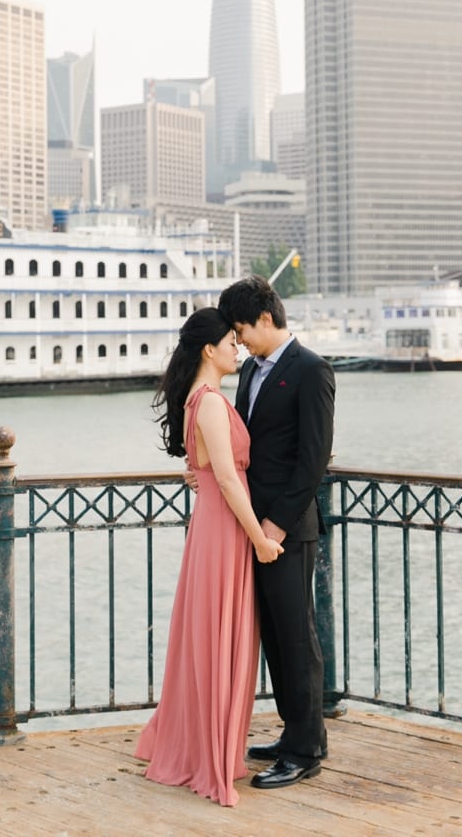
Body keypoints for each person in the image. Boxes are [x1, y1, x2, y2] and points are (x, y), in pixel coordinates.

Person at [134, 307, 285, 806]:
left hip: (212, 526)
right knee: (225, 635)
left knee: (211, 634)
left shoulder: (200, 402)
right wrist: (260, 540)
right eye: (230, 342)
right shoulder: (213, 404)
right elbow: (224, 476)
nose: (236, 349)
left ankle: (202, 743)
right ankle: (211, 756)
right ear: (208, 349)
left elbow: (206, 469)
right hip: (224, 529)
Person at [218, 275, 336, 790]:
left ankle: (305, 750)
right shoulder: (248, 371)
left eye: (242, 328)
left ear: (266, 318)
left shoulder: (312, 370)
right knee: (271, 634)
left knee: (296, 636)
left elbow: (313, 461)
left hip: (286, 529)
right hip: (252, 525)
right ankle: (295, 732)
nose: (238, 339)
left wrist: (275, 524)